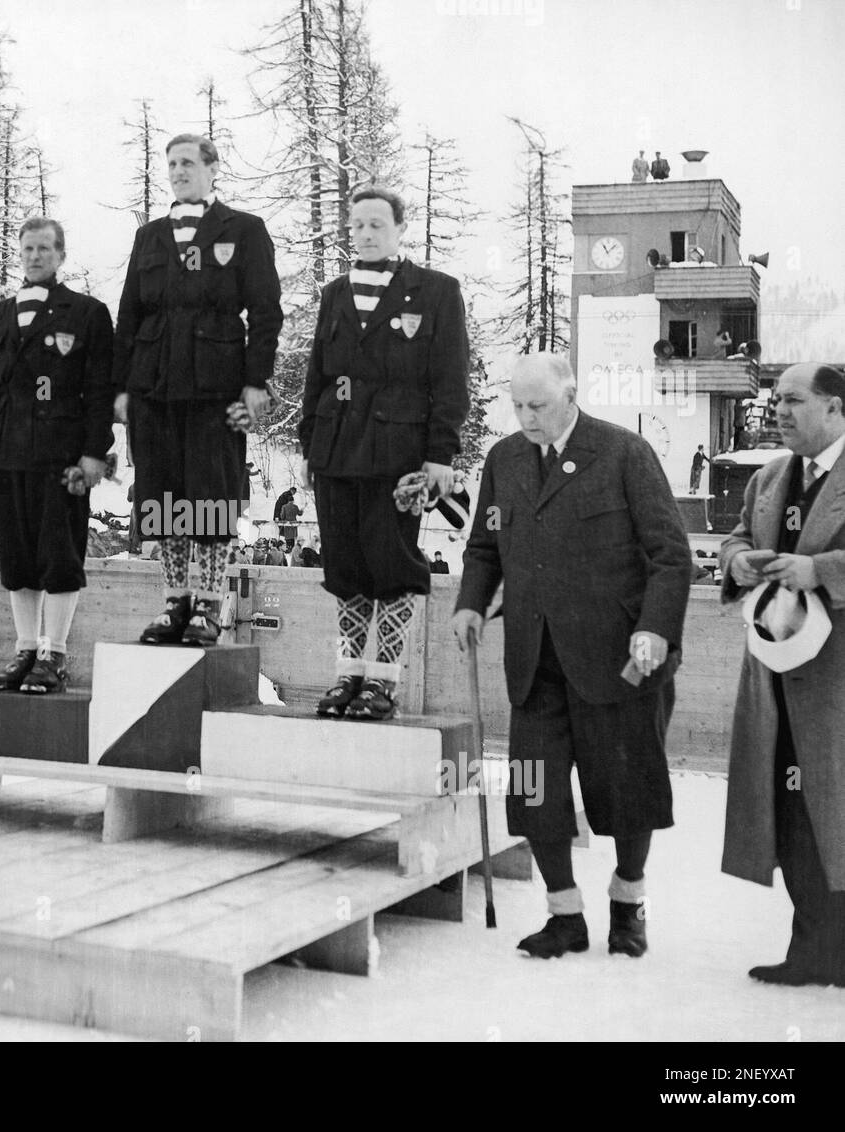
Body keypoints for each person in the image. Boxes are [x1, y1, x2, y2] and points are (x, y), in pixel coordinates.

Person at [452, 353, 692, 959]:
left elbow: (670, 553)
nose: (526, 417)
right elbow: (484, 546)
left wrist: (657, 629)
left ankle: (628, 904)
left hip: (616, 657)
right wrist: (470, 603)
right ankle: (564, 914)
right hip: (534, 657)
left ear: (570, 395)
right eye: (517, 407)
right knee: (536, 792)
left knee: (626, 788)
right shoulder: (503, 460)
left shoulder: (623, 453)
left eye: (538, 406)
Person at [300, 184, 470, 721]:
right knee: (346, 565)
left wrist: (440, 455)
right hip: (335, 451)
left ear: (399, 228)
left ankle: (384, 683)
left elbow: (450, 379)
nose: (367, 233)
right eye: (358, 225)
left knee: (391, 563)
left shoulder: (436, 292)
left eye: (378, 224)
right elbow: (318, 377)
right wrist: (309, 445)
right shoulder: (334, 294)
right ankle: (349, 676)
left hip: (399, 457)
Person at [114, 132, 283, 647]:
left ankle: (208, 606)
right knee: (163, 497)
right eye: (172, 164)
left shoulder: (245, 231)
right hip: (155, 389)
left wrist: (255, 383)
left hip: (217, 390)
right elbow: (129, 317)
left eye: (189, 162)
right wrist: (121, 389)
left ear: (213, 170)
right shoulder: (150, 238)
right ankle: (174, 602)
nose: (179, 171)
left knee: (210, 496)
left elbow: (266, 310)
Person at [719, 362, 845, 987]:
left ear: (835, 407)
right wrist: (740, 562)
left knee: (836, 814)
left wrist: (821, 570)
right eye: (776, 400)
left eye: (795, 399)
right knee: (792, 813)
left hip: (837, 686)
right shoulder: (769, 476)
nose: (779, 410)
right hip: (777, 676)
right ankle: (811, 949)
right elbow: (734, 540)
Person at [0, 216, 114, 694]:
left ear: (61, 255)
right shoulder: (1, 313)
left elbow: (98, 392)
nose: (35, 256)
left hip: (61, 458)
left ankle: (55, 654)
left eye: (44, 249)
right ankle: (26, 648)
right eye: (28, 248)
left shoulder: (87, 313)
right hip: (6, 454)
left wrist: (95, 453)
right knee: (16, 557)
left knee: (58, 555)